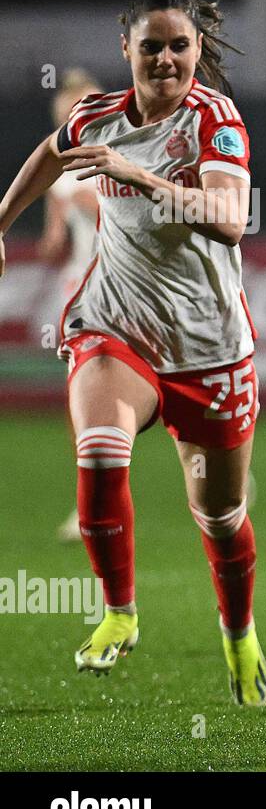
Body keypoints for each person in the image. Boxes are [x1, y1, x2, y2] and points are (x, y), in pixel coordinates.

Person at [0, 0, 266, 705]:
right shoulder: (97, 116)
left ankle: (238, 631)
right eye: (151, 47)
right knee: (97, 454)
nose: (166, 61)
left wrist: (138, 175)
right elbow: (52, 152)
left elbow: (228, 215)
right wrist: (1, 218)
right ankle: (119, 611)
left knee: (220, 516)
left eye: (179, 46)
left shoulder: (215, 122)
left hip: (209, 349)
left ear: (196, 48)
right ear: (127, 47)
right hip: (116, 330)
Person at [41, 69, 106, 542]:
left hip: (137, 288)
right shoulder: (59, 171)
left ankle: (221, 470)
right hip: (85, 293)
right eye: (67, 113)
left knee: (170, 386)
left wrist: (96, 206)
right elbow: (52, 243)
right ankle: (85, 508)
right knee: (80, 402)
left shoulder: (125, 156)